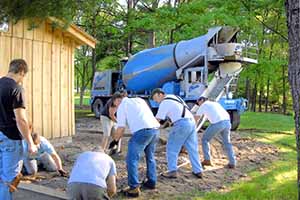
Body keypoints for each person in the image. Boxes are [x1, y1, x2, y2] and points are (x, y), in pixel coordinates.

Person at [0, 59, 37, 199]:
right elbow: (21, 120)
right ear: (21, 72)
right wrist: (30, 143)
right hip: (11, 138)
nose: (23, 79)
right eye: (23, 76)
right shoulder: (16, 88)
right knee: (9, 180)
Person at [111, 93, 160, 197]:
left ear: (118, 100)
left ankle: (134, 188)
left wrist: (115, 140)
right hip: (155, 129)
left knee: (131, 159)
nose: (115, 106)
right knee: (150, 157)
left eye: (115, 103)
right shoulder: (139, 100)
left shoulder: (122, 106)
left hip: (142, 132)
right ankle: (152, 181)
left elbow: (121, 128)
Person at [151, 88, 203, 179]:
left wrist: (148, 127)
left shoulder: (165, 102)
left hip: (181, 124)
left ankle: (172, 171)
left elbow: (158, 119)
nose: (156, 102)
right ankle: (198, 170)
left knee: (171, 147)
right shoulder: (175, 97)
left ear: (160, 94)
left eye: (156, 99)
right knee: (192, 148)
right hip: (191, 122)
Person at [195, 96, 236, 169]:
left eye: (198, 103)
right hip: (227, 122)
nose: (198, 105)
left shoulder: (204, 105)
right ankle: (232, 162)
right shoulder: (215, 104)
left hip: (218, 123)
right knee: (227, 142)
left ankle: (207, 160)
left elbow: (196, 119)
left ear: (201, 100)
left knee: (205, 139)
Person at [100, 91, 127, 155]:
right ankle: (102, 151)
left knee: (117, 135)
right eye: (118, 100)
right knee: (107, 134)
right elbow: (111, 115)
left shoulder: (121, 102)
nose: (120, 102)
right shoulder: (112, 103)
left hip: (112, 118)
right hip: (105, 118)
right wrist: (119, 122)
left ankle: (116, 150)